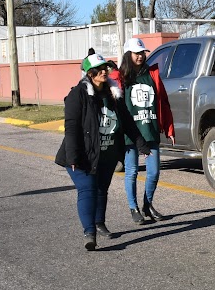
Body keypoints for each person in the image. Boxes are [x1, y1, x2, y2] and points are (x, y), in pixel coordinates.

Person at [55, 53, 149, 250]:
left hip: (107, 153)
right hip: (83, 154)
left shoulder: (113, 94)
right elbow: (71, 127)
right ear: (90, 74)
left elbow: (127, 121)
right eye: (101, 69)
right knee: (87, 189)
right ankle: (90, 233)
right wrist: (72, 155)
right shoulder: (78, 95)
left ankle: (99, 223)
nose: (105, 71)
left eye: (106, 68)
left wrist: (141, 144)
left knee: (101, 189)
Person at [116, 37, 174, 225]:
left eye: (142, 53)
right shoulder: (121, 77)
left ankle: (147, 205)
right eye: (136, 53)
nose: (140, 56)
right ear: (128, 55)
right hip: (130, 132)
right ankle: (133, 208)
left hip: (150, 128)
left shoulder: (152, 74)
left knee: (154, 172)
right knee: (131, 171)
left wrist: (169, 128)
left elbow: (163, 102)